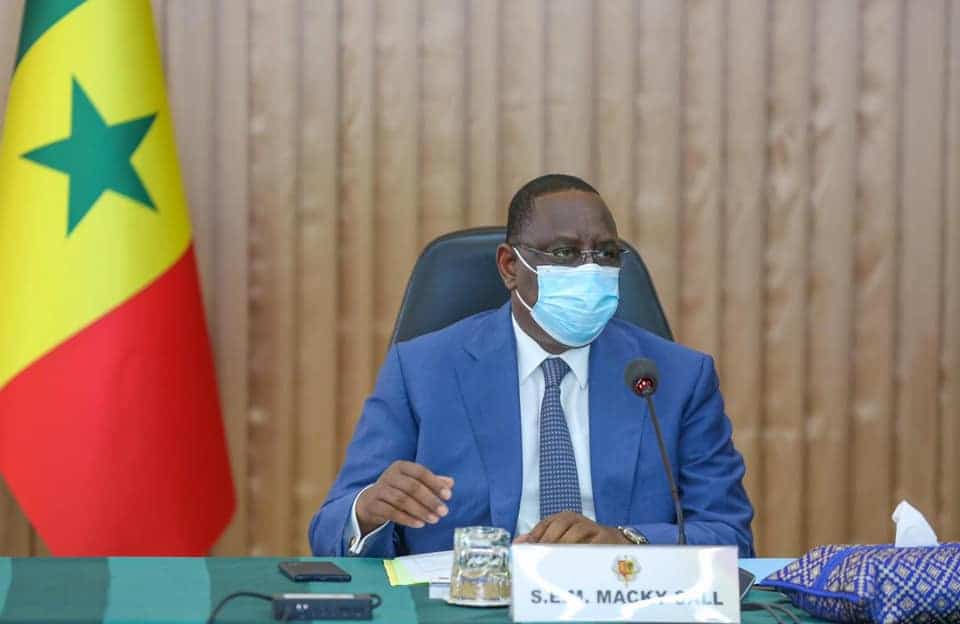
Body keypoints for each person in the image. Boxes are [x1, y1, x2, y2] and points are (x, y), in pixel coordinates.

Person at [309, 174, 754, 558]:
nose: (590, 269)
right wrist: (368, 511)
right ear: (510, 266)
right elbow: (330, 529)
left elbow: (730, 535)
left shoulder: (675, 379)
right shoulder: (422, 370)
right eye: (564, 253)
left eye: (606, 253)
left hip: (618, 601)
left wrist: (624, 540)